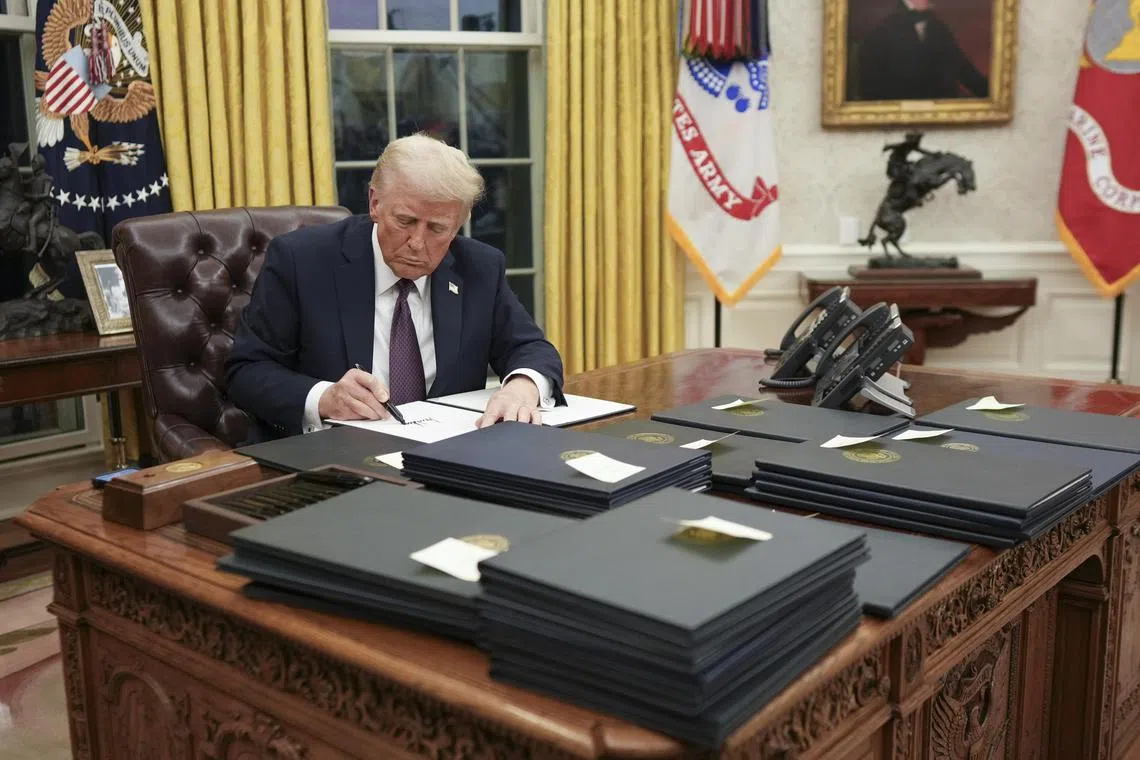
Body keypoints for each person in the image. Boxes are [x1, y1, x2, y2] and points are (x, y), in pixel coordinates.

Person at [225, 133, 565, 442]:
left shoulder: (479, 267)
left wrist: (521, 388)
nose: (417, 242)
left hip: (447, 457)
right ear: (375, 203)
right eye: (405, 221)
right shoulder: (302, 260)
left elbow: (531, 347)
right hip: (330, 456)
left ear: (458, 224)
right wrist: (324, 398)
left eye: (437, 228)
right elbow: (247, 371)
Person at [850, 0, 989, 102]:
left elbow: (964, 69)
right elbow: (871, 92)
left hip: (941, 114)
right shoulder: (880, 34)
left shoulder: (939, 29)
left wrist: (993, 94)